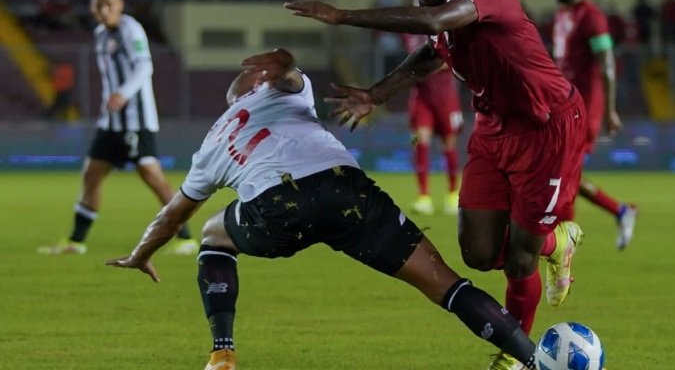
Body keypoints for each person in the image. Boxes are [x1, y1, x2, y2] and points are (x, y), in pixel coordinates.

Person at [106, 49, 541, 370]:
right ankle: (534, 360)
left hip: (278, 209)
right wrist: (284, 62)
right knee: (446, 285)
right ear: (257, 86)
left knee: (214, 235)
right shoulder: (280, 92)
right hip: (346, 192)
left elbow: (173, 216)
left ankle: (222, 353)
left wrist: (140, 254)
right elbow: (291, 77)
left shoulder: (212, 143)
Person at [284, 0, 586, 368]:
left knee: (518, 258)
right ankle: (555, 241)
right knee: (478, 253)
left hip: (546, 128)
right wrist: (376, 93)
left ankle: (515, 355)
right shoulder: (438, 6)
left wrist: (342, 15)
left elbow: (435, 23)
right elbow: (433, 50)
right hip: (493, 127)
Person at [38, 0, 198, 256]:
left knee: (152, 176)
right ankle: (76, 242)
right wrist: (110, 103)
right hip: (110, 122)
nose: (103, 11)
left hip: (135, 120)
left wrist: (123, 94)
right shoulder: (101, 33)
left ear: (120, 4)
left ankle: (186, 238)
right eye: (98, 5)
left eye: (109, 5)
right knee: (91, 175)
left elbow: (144, 67)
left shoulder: (131, 30)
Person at [552, 0, 638, 250]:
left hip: (583, 110)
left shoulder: (592, 16)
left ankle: (565, 244)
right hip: (561, 107)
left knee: (562, 176)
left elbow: (608, 65)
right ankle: (621, 211)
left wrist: (611, 110)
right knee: (565, 176)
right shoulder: (563, 15)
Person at [401, 30, 463, 216]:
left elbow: (452, 60)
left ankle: (452, 194)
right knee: (419, 142)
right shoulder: (410, 34)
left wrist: (424, 67)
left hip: (446, 96)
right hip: (421, 96)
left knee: (449, 145)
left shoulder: (446, 28)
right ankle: (423, 197)